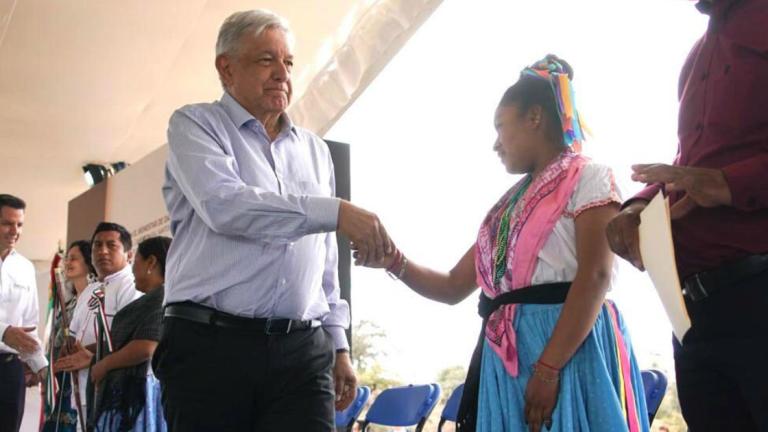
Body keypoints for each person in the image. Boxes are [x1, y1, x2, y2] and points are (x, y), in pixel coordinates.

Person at [361, 56, 649, 432]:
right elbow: (451, 286)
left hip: (564, 349)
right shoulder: (507, 208)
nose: (496, 143)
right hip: (511, 354)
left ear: (534, 118)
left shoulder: (589, 177)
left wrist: (548, 369)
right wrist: (393, 260)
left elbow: (595, 274)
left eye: (501, 126)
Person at [153, 9, 393, 431]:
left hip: (301, 353)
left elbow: (322, 259)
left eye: (288, 62)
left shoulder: (316, 151)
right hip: (210, 350)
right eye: (266, 60)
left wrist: (339, 345)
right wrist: (334, 211)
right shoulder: (195, 124)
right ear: (226, 68)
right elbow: (225, 205)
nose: (282, 73)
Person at [605, 0, 768, 429]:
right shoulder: (697, 56)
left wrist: (729, 182)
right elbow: (690, 163)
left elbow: (712, 174)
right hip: (692, 314)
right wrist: (640, 204)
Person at [55, 223, 142, 428]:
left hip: (114, 394)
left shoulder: (132, 286)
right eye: (97, 245)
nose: (102, 251)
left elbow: (130, 338)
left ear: (129, 254)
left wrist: (91, 355)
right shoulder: (90, 290)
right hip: (83, 392)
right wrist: (69, 350)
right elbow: (74, 336)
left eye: (111, 245)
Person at [90, 236, 171, 432]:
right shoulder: (157, 299)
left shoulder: (161, 298)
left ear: (151, 262)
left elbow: (147, 346)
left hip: (140, 396)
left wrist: (104, 365)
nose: (132, 270)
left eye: (136, 262)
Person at [0, 194, 48, 432]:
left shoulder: (25, 268)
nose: (14, 231)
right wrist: (4, 332)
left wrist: (42, 366)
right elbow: (10, 332)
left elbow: (29, 325)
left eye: (19, 225)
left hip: (10, 371)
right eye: (7, 223)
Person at [43, 240, 97, 431]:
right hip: (62, 377)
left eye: (74, 258)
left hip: (84, 375)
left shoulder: (98, 298)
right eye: (67, 258)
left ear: (88, 263)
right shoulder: (69, 303)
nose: (67, 263)